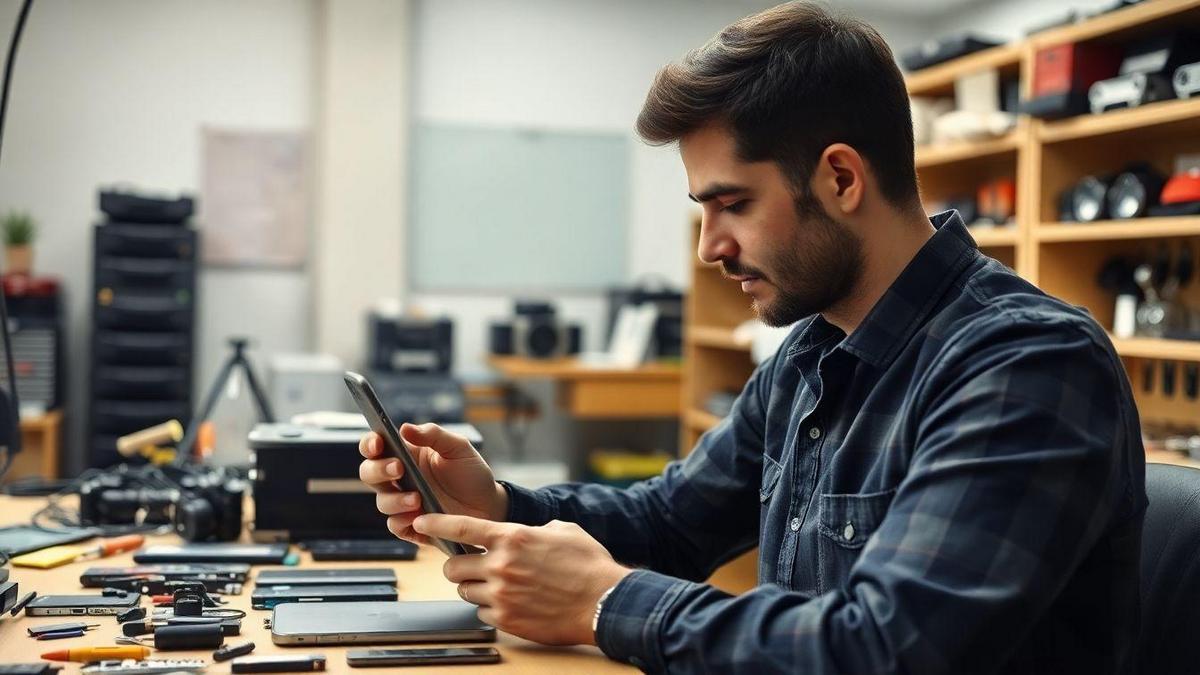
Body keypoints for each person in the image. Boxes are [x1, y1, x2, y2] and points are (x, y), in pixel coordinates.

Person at [358, 2, 1145, 672]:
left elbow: (887, 648)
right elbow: (671, 521)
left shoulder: (1026, 362)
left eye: (732, 204)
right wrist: (498, 503)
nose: (709, 246)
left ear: (841, 179)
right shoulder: (812, 352)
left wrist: (605, 599)